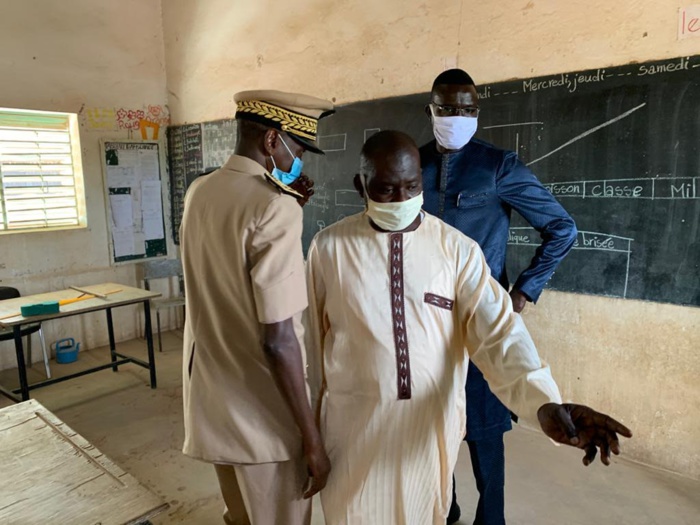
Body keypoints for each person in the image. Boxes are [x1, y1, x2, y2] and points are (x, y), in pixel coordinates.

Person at [304, 130, 631, 525]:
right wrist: (308, 435)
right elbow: (311, 348)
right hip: (352, 431)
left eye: (411, 187)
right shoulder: (328, 249)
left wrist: (542, 402)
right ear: (362, 186)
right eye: (387, 190)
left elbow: (499, 335)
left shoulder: (457, 251)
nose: (402, 200)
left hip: (426, 435)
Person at [420, 69, 579, 525]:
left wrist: (524, 291)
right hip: (421, 322)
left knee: (485, 433)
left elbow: (561, 228)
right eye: (447, 109)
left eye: (467, 110)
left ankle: (492, 520)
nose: (457, 117)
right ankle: (442, 512)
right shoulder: (412, 164)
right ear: (430, 110)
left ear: (477, 113)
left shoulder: (498, 166)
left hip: (480, 321)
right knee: (432, 430)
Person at [180, 90, 334, 525]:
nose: (299, 160)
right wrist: (312, 439)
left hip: (213, 400)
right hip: (263, 416)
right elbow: (279, 340)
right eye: (298, 148)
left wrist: (285, 203)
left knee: (240, 515)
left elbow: (224, 268)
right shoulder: (274, 206)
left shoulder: (200, 190)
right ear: (272, 141)